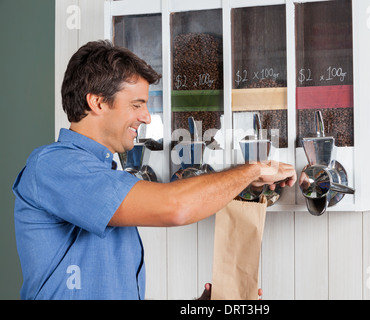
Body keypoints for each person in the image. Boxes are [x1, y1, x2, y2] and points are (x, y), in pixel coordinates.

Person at [12, 40, 297, 300]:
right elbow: (175, 207)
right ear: (97, 102)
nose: (146, 117)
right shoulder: (53, 166)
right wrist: (251, 170)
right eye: (136, 105)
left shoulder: (108, 174)